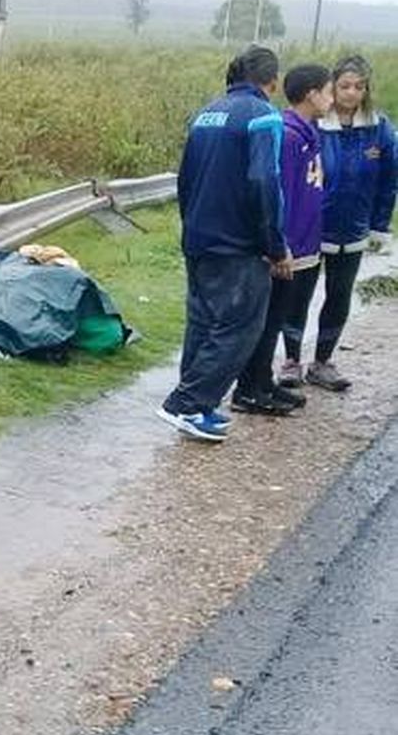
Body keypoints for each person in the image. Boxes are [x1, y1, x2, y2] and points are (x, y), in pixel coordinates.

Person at [158, 46, 291, 442]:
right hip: (238, 243)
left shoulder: (206, 113)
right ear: (273, 81)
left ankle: (198, 407)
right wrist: (274, 244)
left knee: (203, 322)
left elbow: (185, 178)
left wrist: (192, 224)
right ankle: (184, 403)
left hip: (200, 236)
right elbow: (265, 182)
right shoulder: (263, 116)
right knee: (239, 327)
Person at [278, 54, 397, 392]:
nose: (351, 93)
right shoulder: (314, 125)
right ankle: (291, 360)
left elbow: (389, 179)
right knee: (298, 294)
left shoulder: (379, 128)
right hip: (313, 228)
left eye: (359, 87)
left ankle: (323, 361)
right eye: (344, 86)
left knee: (340, 294)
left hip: (354, 227)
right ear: (332, 87)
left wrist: (379, 225)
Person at [230, 64, 333, 415]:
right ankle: (247, 387)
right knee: (266, 319)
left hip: (306, 244)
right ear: (311, 94)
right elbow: (278, 195)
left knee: (278, 317)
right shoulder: (288, 137)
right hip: (285, 248)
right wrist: (279, 246)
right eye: (329, 91)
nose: (332, 99)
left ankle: (263, 381)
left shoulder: (310, 133)